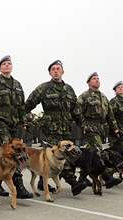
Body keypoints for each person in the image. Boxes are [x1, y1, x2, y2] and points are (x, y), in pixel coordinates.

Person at [25, 60, 87, 196]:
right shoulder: (43, 88)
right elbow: (29, 103)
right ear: (49, 72)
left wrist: (82, 124)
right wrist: (22, 118)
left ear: (62, 72)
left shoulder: (69, 89)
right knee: (54, 158)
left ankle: (43, 182)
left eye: (58, 69)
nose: (55, 71)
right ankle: (73, 183)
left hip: (65, 129)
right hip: (50, 129)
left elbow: (75, 109)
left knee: (67, 156)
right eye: (53, 69)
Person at [0, 55, 33, 199]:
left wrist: (24, 120)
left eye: (9, 64)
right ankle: (18, 186)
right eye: (4, 64)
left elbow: (21, 106)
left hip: (16, 123)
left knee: (15, 151)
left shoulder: (18, 84)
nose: (7, 66)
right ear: (0, 68)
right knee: (10, 151)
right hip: (1, 121)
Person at [77, 72, 122, 188]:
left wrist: (115, 129)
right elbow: (77, 112)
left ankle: (82, 178)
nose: (97, 80)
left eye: (98, 78)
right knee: (98, 152)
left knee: (90, 154)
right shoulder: (84, 96)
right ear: (88, 82)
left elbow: (110, 116)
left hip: (101, 128)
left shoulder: (103, 97)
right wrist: (84, 126)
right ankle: (107, 177)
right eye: (94, 79)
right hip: (90, 128)